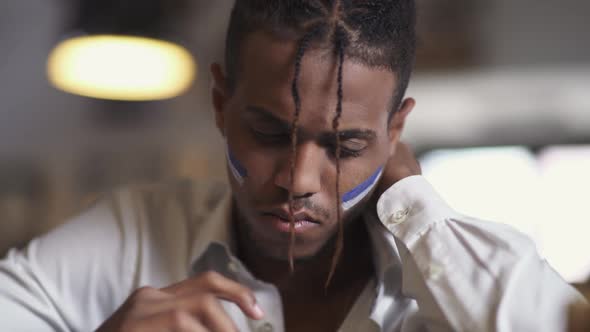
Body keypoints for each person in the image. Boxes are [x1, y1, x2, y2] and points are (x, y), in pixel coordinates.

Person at [0, 0, 586, 331]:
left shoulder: (455, 274)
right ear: (220, 106)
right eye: (269, 133)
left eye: (345, 146)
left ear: (395, 131)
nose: (298, 181)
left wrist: (419, 206)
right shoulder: (130, 233)